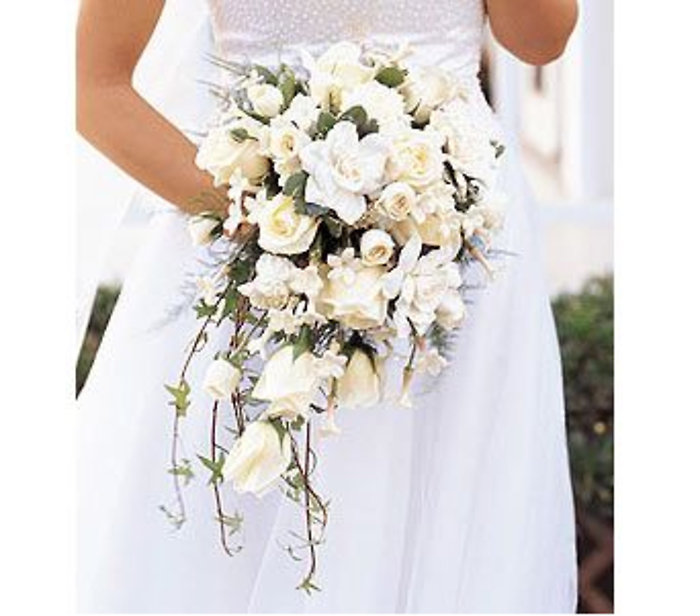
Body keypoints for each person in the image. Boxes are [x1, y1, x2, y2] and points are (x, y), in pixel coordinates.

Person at [76, 0, 579, 611]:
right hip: (258, 256)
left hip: (454, 251)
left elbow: (542, 40)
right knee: (234, 531)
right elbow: (96, 89)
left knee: (458, 526)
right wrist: (265, 211)